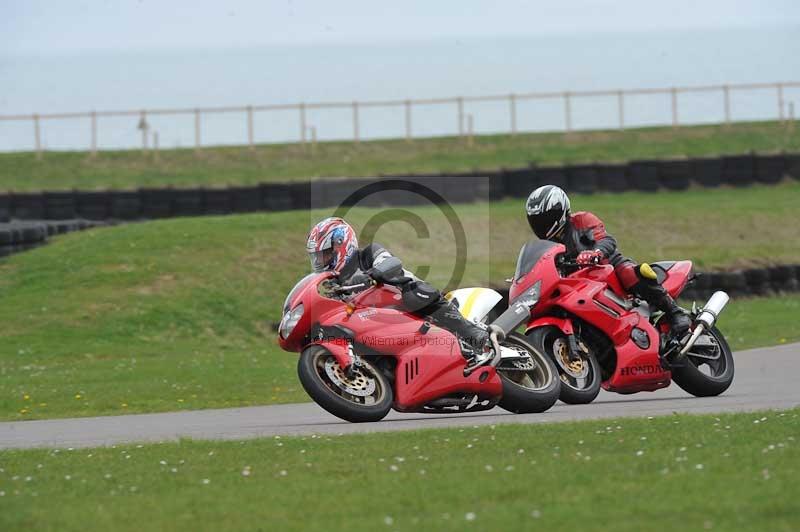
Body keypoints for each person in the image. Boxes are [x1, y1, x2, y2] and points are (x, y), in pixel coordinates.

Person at [306, 217, 492, 368]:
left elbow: (391, 263)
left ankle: (471, 332)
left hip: (407, 300)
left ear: (341, 244)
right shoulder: (334, 284)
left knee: (413, 294)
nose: (322, 261)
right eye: (318, 258)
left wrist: (372, 274)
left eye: (326, 254)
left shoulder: (368, 254)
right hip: (383, 324)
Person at [524, 185, 691, 336]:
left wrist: (595, 252)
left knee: (630, 273)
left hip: (608, 267)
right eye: (536, 221)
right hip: (579, 282)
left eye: (545, 219)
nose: (541, 225)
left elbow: (607, 240)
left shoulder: (581, 220)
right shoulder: (546, 245)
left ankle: (675, 313)